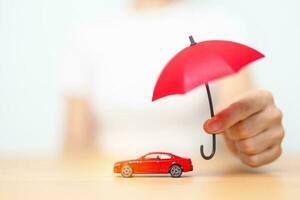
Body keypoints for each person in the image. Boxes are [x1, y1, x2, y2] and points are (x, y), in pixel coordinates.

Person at [60, 0, 284, 168]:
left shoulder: (221, 26)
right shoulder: (88, 36)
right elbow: (75, 147)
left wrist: (253, 130)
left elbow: (239, 107)